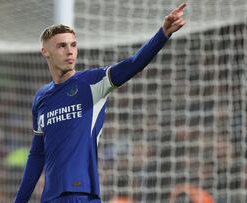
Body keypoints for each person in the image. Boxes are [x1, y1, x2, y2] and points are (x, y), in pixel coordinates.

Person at [14, 3, 186, 203]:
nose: (70, 51)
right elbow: (37, 154)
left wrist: (163, 34)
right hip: (50, 198)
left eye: (73, 45)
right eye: (62, 46)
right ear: (45, 52)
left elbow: (133, 64)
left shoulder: (92, 82)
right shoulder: (41, 98)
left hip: (83, 194)